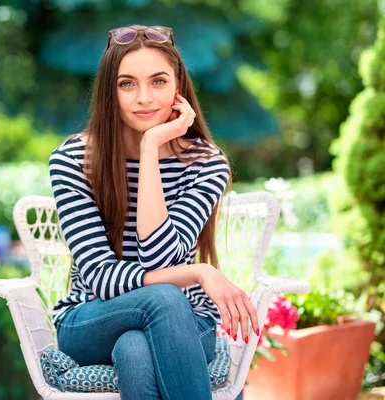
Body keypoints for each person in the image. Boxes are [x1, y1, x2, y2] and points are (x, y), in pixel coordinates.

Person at [48, 25, 259, 400]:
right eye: (127, 84)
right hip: (90, 318)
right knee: (163, 298)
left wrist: (150, 149)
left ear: (178, 86)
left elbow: (160, 258)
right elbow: (100, 277)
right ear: (109, 92)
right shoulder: (74, 161)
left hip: (188, 323)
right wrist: (197, 270)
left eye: (158, 81)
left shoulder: (205, 164)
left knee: (134, 348)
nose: (143, 98)